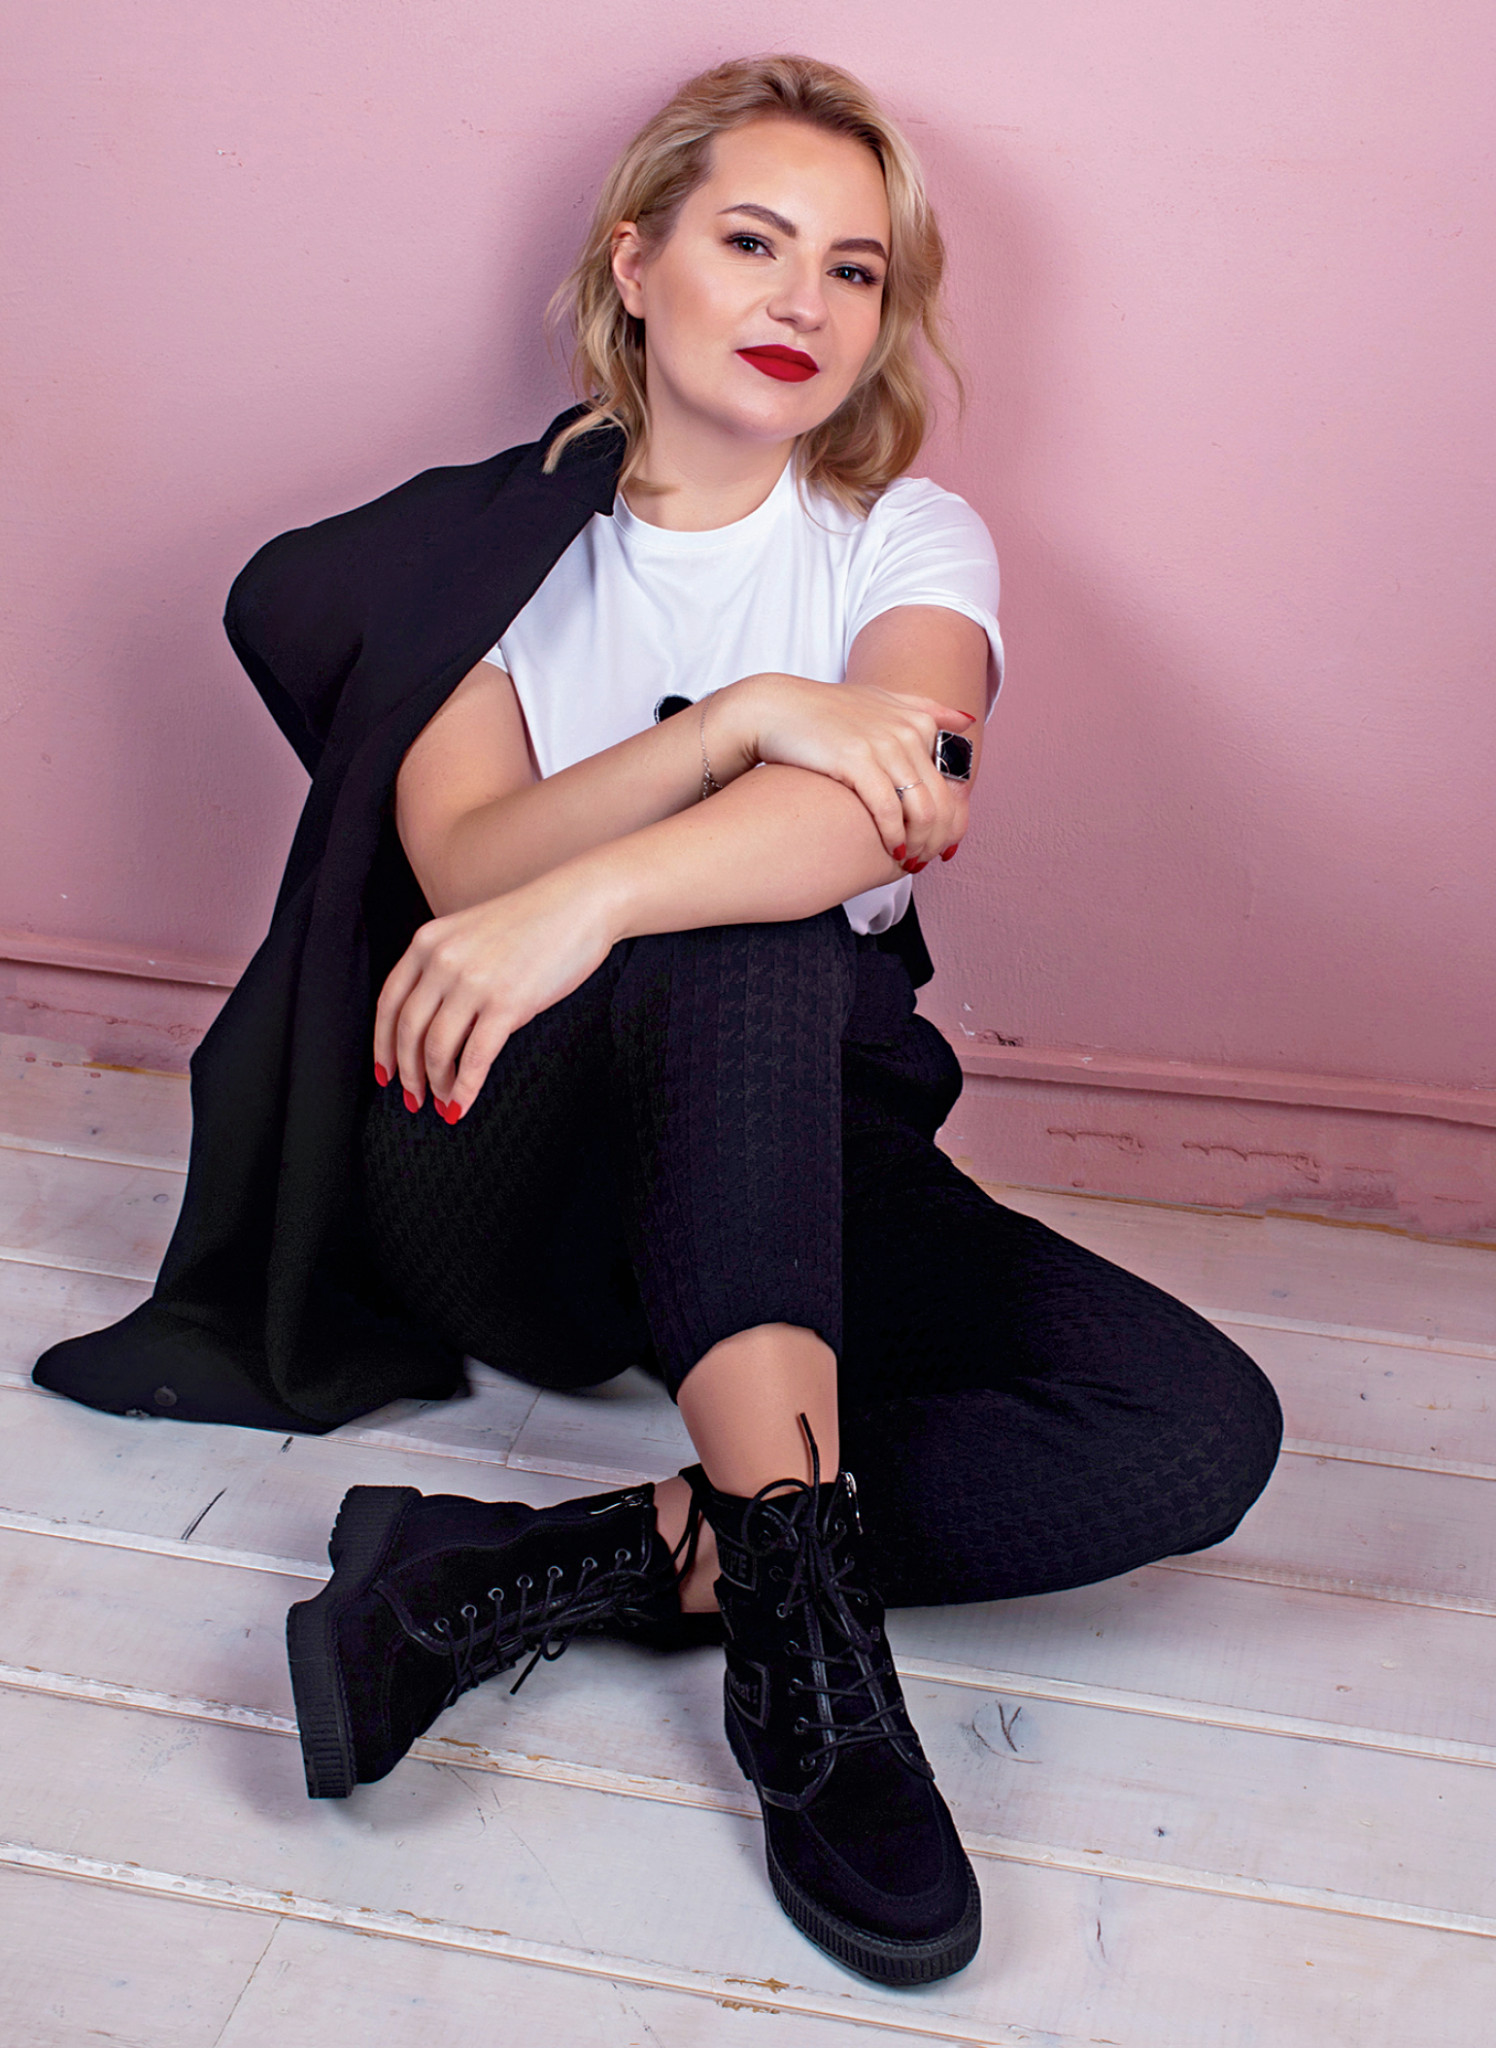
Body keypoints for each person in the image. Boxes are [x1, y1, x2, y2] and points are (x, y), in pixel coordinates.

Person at [42, 55, 1284, 1990]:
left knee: (1196, 1428)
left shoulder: (904, 540)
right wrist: (739, 728)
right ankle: (820, 1700)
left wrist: (605, 883)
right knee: (751, 918)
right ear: (637, 264)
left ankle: (538, 1567)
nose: (805, 303)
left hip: (800, 1153)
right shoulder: (485, 560)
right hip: (506, 1167)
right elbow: (465, 859)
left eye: (855, 270)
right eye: (754, 243)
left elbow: (897, 800)